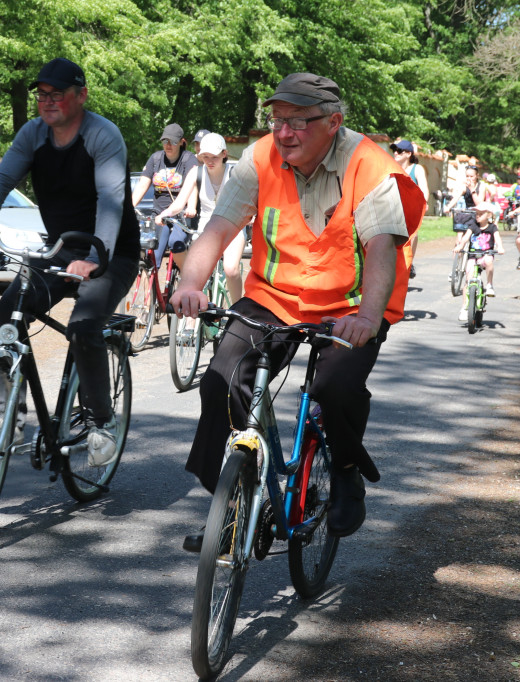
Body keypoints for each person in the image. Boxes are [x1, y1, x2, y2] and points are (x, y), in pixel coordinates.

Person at [170, 73, 425, 550]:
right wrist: (190, 283)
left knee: (335, 385)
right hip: (275, 296)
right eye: (277, 120)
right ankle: (229, 501)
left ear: (334, 122)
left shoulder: (369, 165)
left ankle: (346, 470)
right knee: (222, 379)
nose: (283, 132)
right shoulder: (261, 156)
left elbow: (382, 250)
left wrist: (369, 318)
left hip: (352, 306)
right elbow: (219, 227)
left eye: (298, 122)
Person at [0, 57, 140, 466]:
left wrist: (97, 256)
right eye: (42, 95)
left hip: (113, 252)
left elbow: (111, 201)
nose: (47, 102)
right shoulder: (34, 134)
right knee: (8, 313)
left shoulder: (103, 135)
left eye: (57, 94)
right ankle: (9, 415)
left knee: (83, 325)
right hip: (62, 249)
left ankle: (101, 423)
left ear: (81, 96)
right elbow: (1, 180)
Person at [156, 132, 246, 303]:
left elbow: (248, 200)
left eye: (214, 157)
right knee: (195, 275)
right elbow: (179, 202)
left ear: (224, 154)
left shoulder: (235, 173)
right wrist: (164, 213)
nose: (210, 161)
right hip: (206, 227)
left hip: (233, 225)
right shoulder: (196, 172)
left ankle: (236, 309)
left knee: (231, 269)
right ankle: (191, 323)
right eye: (205, 156)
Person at [130, 123, 199, 269]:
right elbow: (142, 185)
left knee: (176, 243)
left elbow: (192, 187)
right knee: (151, 256)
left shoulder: (188, 159)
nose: (168, 145)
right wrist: (128, 207)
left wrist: (192, 207)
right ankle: (152, 290)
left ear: (181, 142)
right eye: (165, 141)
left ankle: (188, 279)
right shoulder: (155, 159)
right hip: (159, 214)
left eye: (173, 141)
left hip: (181, 215)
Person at [453, 202, 505, 320]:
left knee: (488, 261)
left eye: (481, 214)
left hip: (486, 254)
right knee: (468, 280)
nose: (478, 216)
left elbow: (497, 239)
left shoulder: (492, 227)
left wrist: (500, 247)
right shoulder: (473, 226)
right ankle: (465, 308)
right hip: (473, 256)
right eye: (477, 213)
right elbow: (466, 238)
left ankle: (489, 284)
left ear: (488, 215)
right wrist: (460, 246)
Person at [390, 139, 429, 279]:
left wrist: (423, 202)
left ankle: (409, 263)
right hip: (394, 208)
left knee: (413, 235)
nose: (396, 153)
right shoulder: (392, 167)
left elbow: (424, 190)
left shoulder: (416, 169)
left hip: (411, 208)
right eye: (394, 150)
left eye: (399, 150)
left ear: (408, 153)